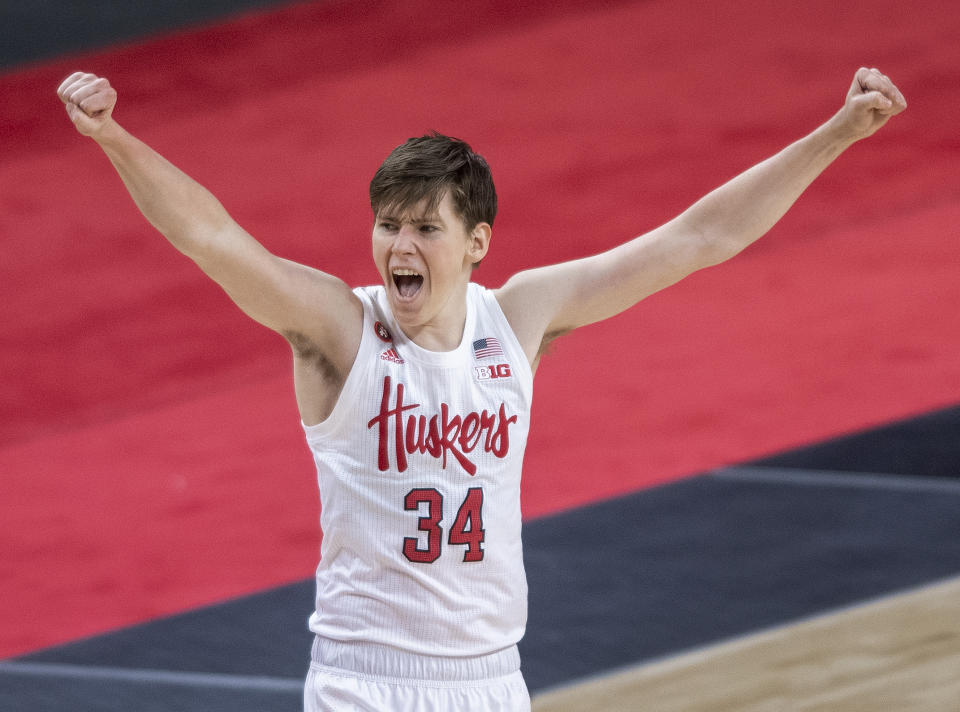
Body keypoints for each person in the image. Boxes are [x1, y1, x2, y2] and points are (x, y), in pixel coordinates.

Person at [57, 66, 906, 711]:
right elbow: (213, 238)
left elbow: (699, 236)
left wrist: (837, 133)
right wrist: (112, 137)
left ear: (476, 244)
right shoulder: (340, 331)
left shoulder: (522, 318)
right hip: (365, 685)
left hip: (493, 684)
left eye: (426, 227)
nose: (400, 245)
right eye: (389, 223)